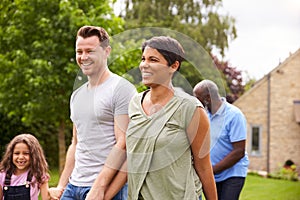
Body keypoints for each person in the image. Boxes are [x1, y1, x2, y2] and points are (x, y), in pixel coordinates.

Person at [49, 25, 137, 200]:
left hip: (106, 188)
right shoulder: (77, 95)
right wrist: (61, 185)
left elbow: (123, 144)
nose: (83, 57)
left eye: (90, 51)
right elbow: (75, 144)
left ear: (106, 52)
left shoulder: (121, 89)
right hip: (74, 187)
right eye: (79, 51)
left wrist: (99, 188)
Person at [126, 36, 217, 200]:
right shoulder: (134, 104)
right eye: (143, 59)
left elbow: (203, 166)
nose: (144, 65)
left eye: (153, 60)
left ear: (173, 66)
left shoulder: (190, 108)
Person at [193, 79, 249, 200]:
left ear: (208, 98)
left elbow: (239, 151)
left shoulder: (234, 115)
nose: (195, 101)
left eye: (197, 98)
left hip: (232, 174)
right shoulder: (204, 115)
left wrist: (211, 170)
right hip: (211, 173)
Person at [0, 133, 50, 200]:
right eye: (17, 153)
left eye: (26, 153)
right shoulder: (2, 175)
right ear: (10, 155)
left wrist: (53, 192)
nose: (20, 157)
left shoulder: (38, 174)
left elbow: (46, 198)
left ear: (34, 155)